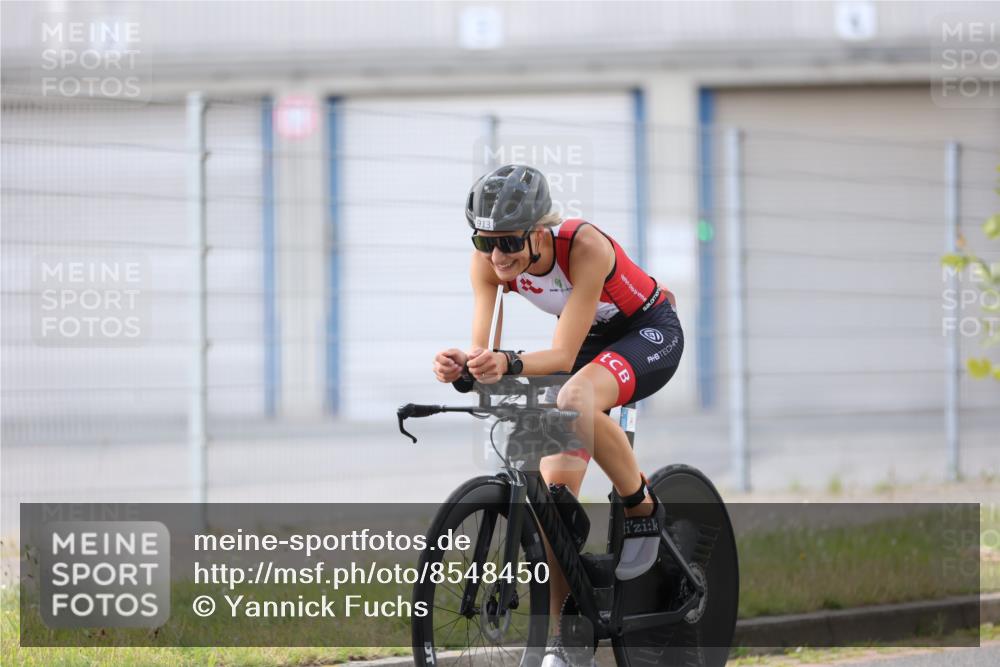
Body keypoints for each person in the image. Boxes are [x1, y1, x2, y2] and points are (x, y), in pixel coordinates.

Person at [432, 164, 684, 666]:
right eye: (484, 242)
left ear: (539, 231)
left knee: (575, 398)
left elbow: (564, 357)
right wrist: (465, 366)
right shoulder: (488, 262)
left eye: (508, 242)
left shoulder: (584, 247)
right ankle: (566, 642)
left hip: (647, 333)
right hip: (589, 345)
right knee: (551, 502)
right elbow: (486, 351)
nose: (497, 256)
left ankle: (642, 508)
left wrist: (508, 362)